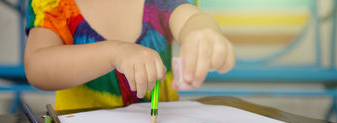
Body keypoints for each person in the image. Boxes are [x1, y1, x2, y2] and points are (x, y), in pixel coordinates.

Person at [24, 0, 235, 111]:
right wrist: (114, 52)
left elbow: (190, 19)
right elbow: (37, 67)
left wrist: (202, 32)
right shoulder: (54, 4)